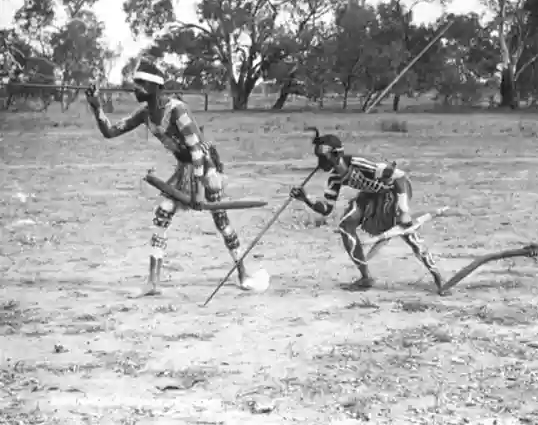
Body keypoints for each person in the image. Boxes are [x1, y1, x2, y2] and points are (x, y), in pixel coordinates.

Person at [85, 59, 255, 297]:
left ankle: (243, 272)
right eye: (136, 83)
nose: (136, 88)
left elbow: (197, 150)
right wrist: (96, 108)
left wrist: (197, 193)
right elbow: (111, 132)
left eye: (141, 83)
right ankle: (153, 282)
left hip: (205, 168)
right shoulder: (145, 113)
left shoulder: (177, 109)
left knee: (221, 222)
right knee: (162, 214)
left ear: (155, 87)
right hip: (185, 168)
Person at [289, 128, 446, 294]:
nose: (320, 161)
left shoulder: (359, 164)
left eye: (323, 156)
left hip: (393, 192)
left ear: (336, 154)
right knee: (345, 225)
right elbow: (326, 209)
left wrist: (403, 209)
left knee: (407, 232)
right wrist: (306, 199)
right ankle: (365, 277)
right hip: (370, 197)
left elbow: (399, 177)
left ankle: (438, 277)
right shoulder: (335, 178)